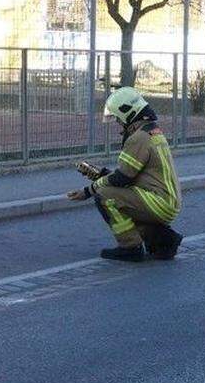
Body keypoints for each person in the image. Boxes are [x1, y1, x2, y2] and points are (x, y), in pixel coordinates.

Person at [68, 87, 183, 262]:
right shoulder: (152, 131)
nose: (119, 124)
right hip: (165, 200)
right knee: (126, 202)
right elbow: (130, 175)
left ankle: (130, 247)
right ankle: (164, 240)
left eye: (119, 119)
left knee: (105, 196)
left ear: (128, 113)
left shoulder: (138, 138)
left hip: (157, 201)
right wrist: (102, 174)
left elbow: (123, 178)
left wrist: (88, 190)